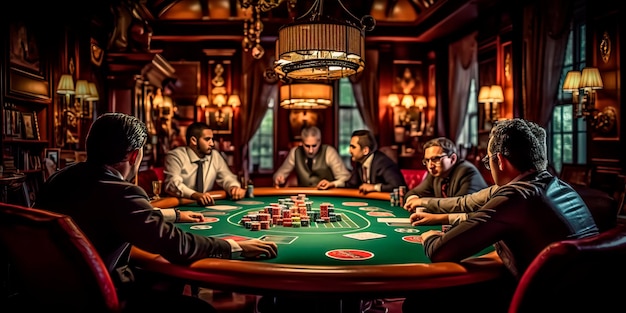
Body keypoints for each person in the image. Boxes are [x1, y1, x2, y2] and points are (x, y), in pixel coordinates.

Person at [35, 113, 278, 312]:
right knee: (200, 311)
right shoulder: (122, 192)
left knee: (166, 281)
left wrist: (174, 215)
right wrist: (235, 246)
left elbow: (107, 213)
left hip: (47, 294)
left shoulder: (60, 178)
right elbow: (178, 246)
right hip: (99, 300)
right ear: (134, 155)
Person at [402, 119, 599, 313]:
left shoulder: (515, 196)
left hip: (537, 302)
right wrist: (427, 205)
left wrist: (428, 236)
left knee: (421, 301)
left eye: (488, 161)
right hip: (580, 295)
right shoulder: (557, 185)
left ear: (501, 161)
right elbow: (467, 202)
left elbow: (440, 251)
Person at [164, 122, 245, 206]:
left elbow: (227, 177)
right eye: (207, 139)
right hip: (180, 206)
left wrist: (233, 187)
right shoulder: (175, 156)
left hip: (204, 204)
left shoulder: (215, 156)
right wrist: (195, 195)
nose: (212, 144)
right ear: (193, 141)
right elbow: (172, 184)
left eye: (212, 139)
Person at [403, 137, 487, 208]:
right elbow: (412, 193)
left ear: (453, 158)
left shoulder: (467, 171)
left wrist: (422, 202)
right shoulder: (435, 174)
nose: (430, 166)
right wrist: (412, 200)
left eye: (436, 159)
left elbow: (459, 206)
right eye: (427, 160)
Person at [273, 126, 350, 190]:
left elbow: (345, 178)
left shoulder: (329, 152)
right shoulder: (295, 152)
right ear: (302, 143)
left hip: (327, 196)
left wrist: (332, 184)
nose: (310, 150)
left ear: (320, 142)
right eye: (307, 146)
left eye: (314, 146)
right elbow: (279, 175)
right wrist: (279, 179)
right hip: (304, 197)